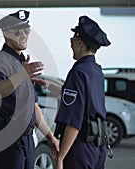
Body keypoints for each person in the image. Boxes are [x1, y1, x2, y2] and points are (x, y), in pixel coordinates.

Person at [0, 10, 59, 169]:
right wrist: (21, 76)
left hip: (27, 139)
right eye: (18, 31)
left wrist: (50, 136)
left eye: (27, 30)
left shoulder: (22, 62)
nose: (24, 35)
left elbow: (32, 106)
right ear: (5, 33)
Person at [54, 15, 111, 169]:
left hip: (80, 149)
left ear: (80, 43)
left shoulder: (78, 72)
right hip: (98, 147)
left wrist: (61, 157)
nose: (70, 42)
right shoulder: (96, 71)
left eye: (73, 38)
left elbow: (74, 121)